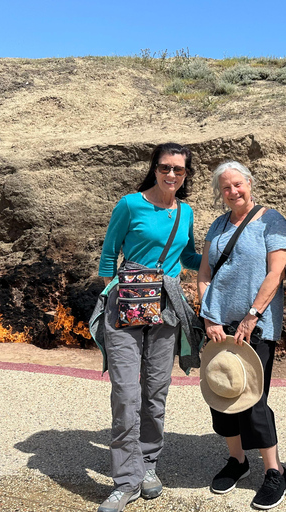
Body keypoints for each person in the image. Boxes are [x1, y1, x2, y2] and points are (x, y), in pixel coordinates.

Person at [95, 142, 203, 512]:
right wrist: (110, 289)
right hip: (125, 307)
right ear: (154, 168)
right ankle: (125, 481)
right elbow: (110, 252)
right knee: (127, 394)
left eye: (179, 169)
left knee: (155, 393)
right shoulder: (130, 204)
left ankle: (148, 465)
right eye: (165, 167)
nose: (171, 174)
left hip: (166, 309)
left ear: (186, 175)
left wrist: (221, 259)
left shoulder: (185, 212)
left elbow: (187, 256)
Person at [197, 161, 286, 510]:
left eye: (238, 184)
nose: (233, 192)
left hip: (256, 324)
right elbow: (205, 272)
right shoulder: (218, 225)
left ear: (249, 183)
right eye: (226, 188)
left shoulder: (271, 220)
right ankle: (237, 461)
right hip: (218, 326)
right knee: (222, 389)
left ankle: (275, 471)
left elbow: (276, 271)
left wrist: (252, 316)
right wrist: (208, 315)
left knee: (253, 397)